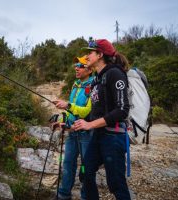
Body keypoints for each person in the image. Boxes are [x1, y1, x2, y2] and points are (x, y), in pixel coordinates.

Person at [73, 39, 131, 200]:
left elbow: (122, 110)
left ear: (100, 55)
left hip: (113, 137)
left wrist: (90, 124)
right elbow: (95, 112)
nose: (87, 56)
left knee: (116, 184)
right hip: (99, 135)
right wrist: (71, 124)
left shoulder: (115, 74)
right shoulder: (98, 79)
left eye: (90, 52)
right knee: (85, 173)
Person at [52, 55, 94, 200]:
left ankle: (85, 196)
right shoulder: (75, 84)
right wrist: (64, 120)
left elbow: (87, 111)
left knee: (86, 167)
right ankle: (63, 195)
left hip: (87, 133)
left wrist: (68, 105)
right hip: (72, 131)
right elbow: (70, 109)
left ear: (89, 69)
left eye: (80, 65)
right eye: (76, 64)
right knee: (68, 163)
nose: (76, 67)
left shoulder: (94, 85)